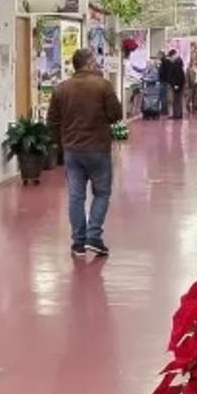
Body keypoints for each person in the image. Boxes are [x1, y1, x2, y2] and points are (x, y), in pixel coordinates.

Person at [48, 48, 123, 257]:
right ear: (89, 64)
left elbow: (52, 121)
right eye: (95, 62)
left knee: (76, 196)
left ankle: (78, 242)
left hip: (72, 150)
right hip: (98, 148)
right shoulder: (103, 85)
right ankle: (94, 236)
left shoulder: (61, 88)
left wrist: (60, 145)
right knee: (102, 193)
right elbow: (116, 115)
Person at [161, 49, 186, 119]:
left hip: (175, 84)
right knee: (177, 99)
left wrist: (176, 84)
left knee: (175, 99)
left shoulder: (176, 63)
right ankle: (177, 114)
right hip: (176, 84)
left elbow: (177, 75)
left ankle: (176, 114)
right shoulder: (178, 63)